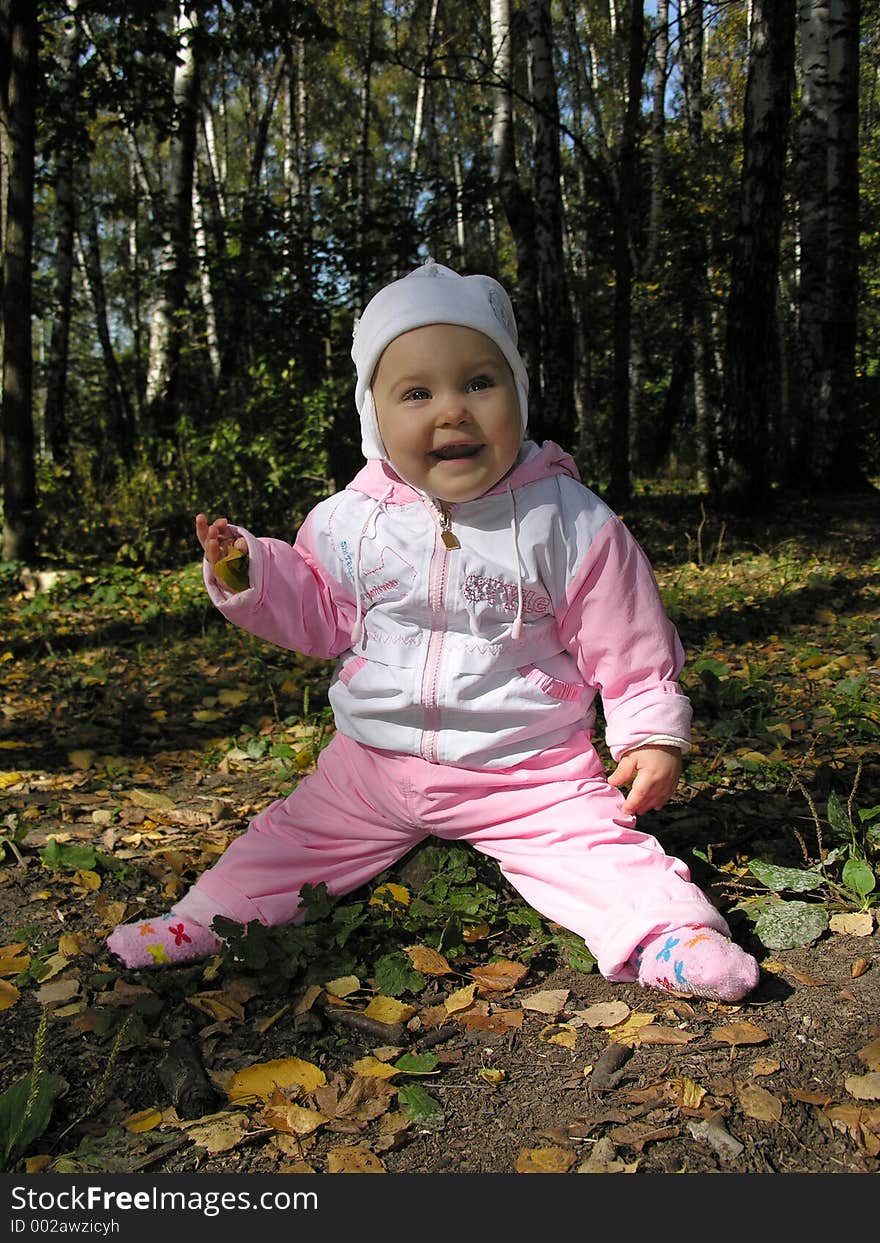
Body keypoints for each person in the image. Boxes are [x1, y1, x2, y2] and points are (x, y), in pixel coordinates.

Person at [107, 260, 759, 1002]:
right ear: (373, 417)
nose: (452, 411)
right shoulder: (351, 521)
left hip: (524, 770)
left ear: (516, 392)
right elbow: (322, 612)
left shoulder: (568, 519)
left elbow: (630, 639)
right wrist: (249, 574)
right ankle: (204, 919)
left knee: (593, 850)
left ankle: (669, 934)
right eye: (417, 393)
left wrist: (649, 733)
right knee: (286, 842)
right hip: (372, 766)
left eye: (480, 382)